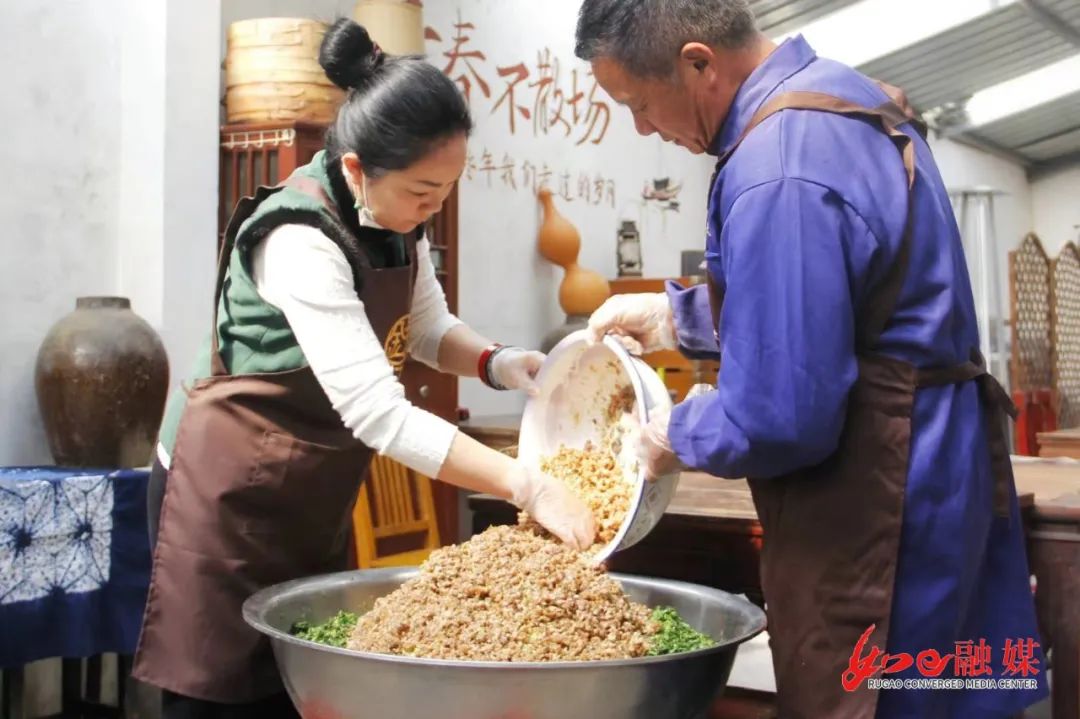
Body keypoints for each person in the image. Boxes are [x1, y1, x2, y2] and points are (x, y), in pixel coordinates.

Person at [574, 1, 1047, 717]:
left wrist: (674, 433)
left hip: (883, 503)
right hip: (939, 465)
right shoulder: (844, 100)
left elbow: (782, 413)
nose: (644, 128)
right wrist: (677, 314)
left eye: (639, 104)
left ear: (698, 62)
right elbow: (847, 303)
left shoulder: (778, 166)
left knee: (880, 695)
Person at [132, 18, 595, 718]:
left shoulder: (398, 221)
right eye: (420, 191)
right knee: (220, 688)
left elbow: (429, 328)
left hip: (303, 486)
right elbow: (380, 413)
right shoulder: (298, 238)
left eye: (445, 189)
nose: (431, 207)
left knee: (301, 682)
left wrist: (503, 364)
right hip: (223, 493)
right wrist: (524, 485)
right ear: (355, 169)